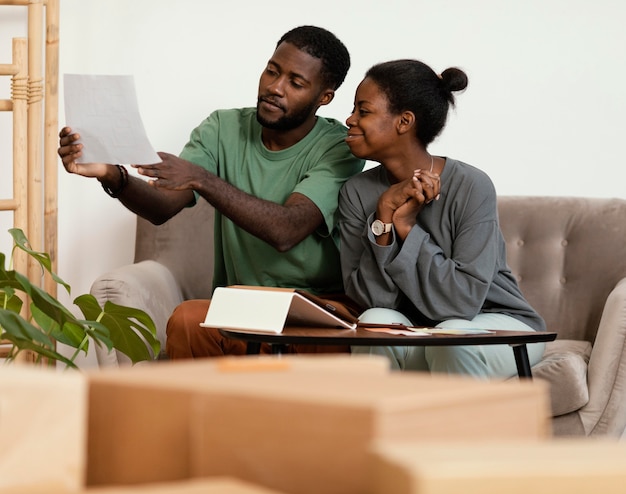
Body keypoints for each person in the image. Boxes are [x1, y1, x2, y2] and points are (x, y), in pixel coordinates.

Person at [58, 25, 365, 359]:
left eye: (296, 82)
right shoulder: (222, 128)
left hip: (317, 307)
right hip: (244, 305)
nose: (275, 88)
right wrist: (111, 174)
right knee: (188, 320)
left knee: (333, 345)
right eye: (272, 71)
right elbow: (163, 207)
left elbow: (286, 230)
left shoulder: (341, 147)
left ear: (324, 97)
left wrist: (202, 179)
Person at [338, 59, 546, 378]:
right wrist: (383, 220)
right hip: (422, 331)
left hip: (497, 324)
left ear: (404, 122)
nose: (350, 119)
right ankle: (380, 426)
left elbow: (460, 304)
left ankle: (455, 427)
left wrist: (407, 228)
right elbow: (370, 301)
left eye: (363, 111)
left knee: (451, 335)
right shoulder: (356, 192)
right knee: (373, 322)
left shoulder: (472, 186)